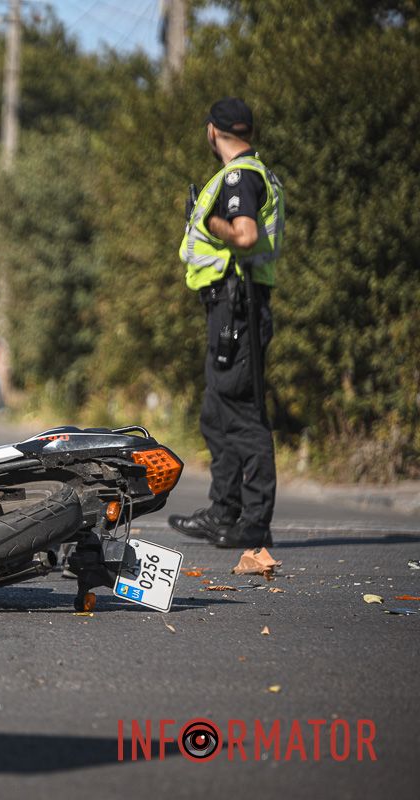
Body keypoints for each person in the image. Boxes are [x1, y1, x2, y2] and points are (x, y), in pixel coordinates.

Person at [169, 97, 285, 549]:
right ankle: (224, 512)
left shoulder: (240, 176)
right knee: (218, 413)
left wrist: (211, 217)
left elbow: (245, 234)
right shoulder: (253, 173)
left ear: (212, 132)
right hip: (230, 307)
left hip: (238, 304)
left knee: (241, 412)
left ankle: (253, 522)